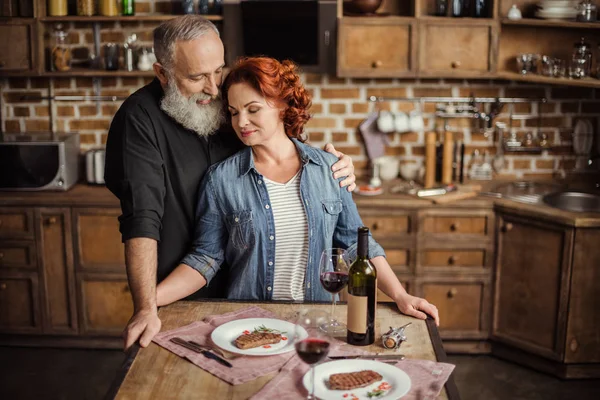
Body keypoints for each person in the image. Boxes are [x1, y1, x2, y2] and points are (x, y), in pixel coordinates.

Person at [104, 16, 357, 351]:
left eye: (218, 70)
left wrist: (332, 165)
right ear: (163, 74)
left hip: (244, 295)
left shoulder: (228, 100)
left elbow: (280, 140)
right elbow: (141, 219)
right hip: (179, 297)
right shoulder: (138, 119)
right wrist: (146, 305)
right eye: (197, 77)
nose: (213, 87)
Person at [155, 57, 440, 326]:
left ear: (282, 105)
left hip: (316, 322)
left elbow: (356, 246)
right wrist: (149, 301)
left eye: (253, 109)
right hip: (248, 323)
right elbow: (205, 258)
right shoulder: (221, 179)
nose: (241, 122)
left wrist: (401, 296)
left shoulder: (329, 169)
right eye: (233, 112)